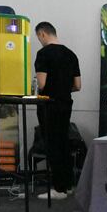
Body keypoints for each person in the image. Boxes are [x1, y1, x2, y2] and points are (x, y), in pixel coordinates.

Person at [34, 22, 81, 200]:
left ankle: (58, 189)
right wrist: (62, 87)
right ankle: (68, 185)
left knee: (53, 145)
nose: (39, 40)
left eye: (39, 37)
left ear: (42, 34)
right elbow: (77, 86)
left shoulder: (43, 54)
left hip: (49, 105)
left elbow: (42, 84)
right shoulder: (71, 55)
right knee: (64, 143)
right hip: (65, 104)